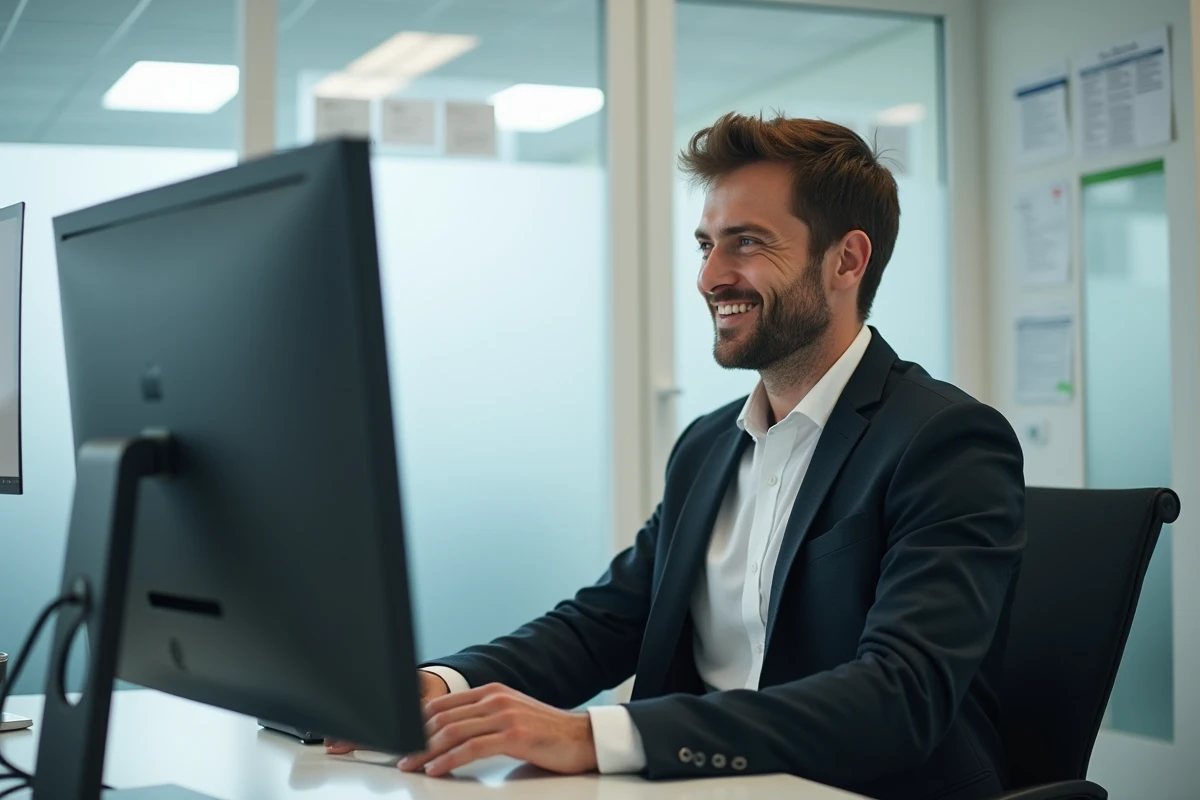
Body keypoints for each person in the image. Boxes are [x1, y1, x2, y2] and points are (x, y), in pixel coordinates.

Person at [327, 112, 1026, 800]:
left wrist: (593, 737)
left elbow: (899, 698)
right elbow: (603, 625)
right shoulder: (707, 445)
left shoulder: (945, 441)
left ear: (846, 259)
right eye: (705, 245)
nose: (711, 277)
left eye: (747, 243)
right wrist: (439, 687)